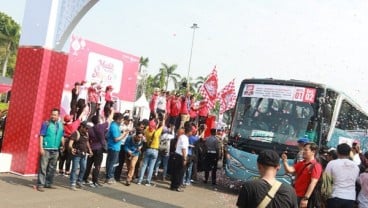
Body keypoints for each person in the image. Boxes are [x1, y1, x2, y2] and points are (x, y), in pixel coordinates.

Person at [281, 142, 323, 208]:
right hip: (295, 194)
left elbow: (313, 183)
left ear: (313, 151)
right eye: (303, 149)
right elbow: (289, 170)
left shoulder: (316, 166)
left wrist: (305, 199)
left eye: (306, 150)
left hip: (303, 197)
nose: (303, 151)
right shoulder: (301, 163)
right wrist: (284, 161)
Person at [83, 109, 113, 187]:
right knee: (97, 166)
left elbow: (88, 140)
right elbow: (109, 120)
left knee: (89, 165)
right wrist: (112, 111)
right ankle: (94, 181)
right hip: (99, 149)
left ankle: (84, 179)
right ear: (99, 120)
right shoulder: (101, 127)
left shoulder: (90, 129)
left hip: (92, 149)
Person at [36, 108, 65, 192]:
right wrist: (41, 148)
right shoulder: (46, 124)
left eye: (55, 115)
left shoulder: (60, 125)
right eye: (52, 114)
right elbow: (41, 135)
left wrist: (63, 145)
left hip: (56, 149)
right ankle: (40, 184)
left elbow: (62, 136)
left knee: (52, 168)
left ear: (58, 116)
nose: (53, 116)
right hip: (46, 149)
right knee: (43, 167)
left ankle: (48, 183)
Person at [325, 143, 360, 208]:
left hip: (335, 196)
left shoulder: (332, 163)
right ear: (349, 152)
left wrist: (324, 198)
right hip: (350, 198)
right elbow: (356, 180)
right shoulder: (356, 166)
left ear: (337, 152)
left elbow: (326, 182)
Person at [137, 117, 164, 186]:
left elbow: (148, 127)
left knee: (144, 165)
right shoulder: (157, 132)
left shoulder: (146, 130)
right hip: (155, 150)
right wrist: (161, 120)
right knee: (151, 167)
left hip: (148, 149)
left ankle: (139, 180)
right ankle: (147, 181)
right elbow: (162, 125)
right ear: (155, 125)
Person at [69, 121, 93, 190]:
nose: (87, 130)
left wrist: (90, 150)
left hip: (84, 154)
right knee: (75, 169)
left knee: (83, 168)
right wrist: (71, 148)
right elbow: (70, 143)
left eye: (88, 129)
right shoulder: (76, 133)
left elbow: (87, 142)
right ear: (81, 127)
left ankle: (79, 181)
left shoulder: (86, 134)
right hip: (77, 154)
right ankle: (73, 183)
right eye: (86, 128)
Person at [105, 112, 126, 184]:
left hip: (114, 147)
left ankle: (109, 176)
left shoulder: (114, 125)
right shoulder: (114, 126)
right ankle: (109, 177)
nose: (122, 121)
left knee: (111, 162)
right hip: (114, 147)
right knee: (112, 163)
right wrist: (124, 134)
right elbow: (116, 139)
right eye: (121, 120)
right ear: (118, 119)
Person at [170, 124, 191, 192]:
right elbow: (184, 149)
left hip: (177, 155)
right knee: (180, 172)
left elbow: (176, 146)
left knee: (175, 172)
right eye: (191, 131)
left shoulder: (181, 136)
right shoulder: (185, 138)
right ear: (189, 131)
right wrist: (184, 158)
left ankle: (173, 185)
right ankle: (177, 186)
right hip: (181, 156)